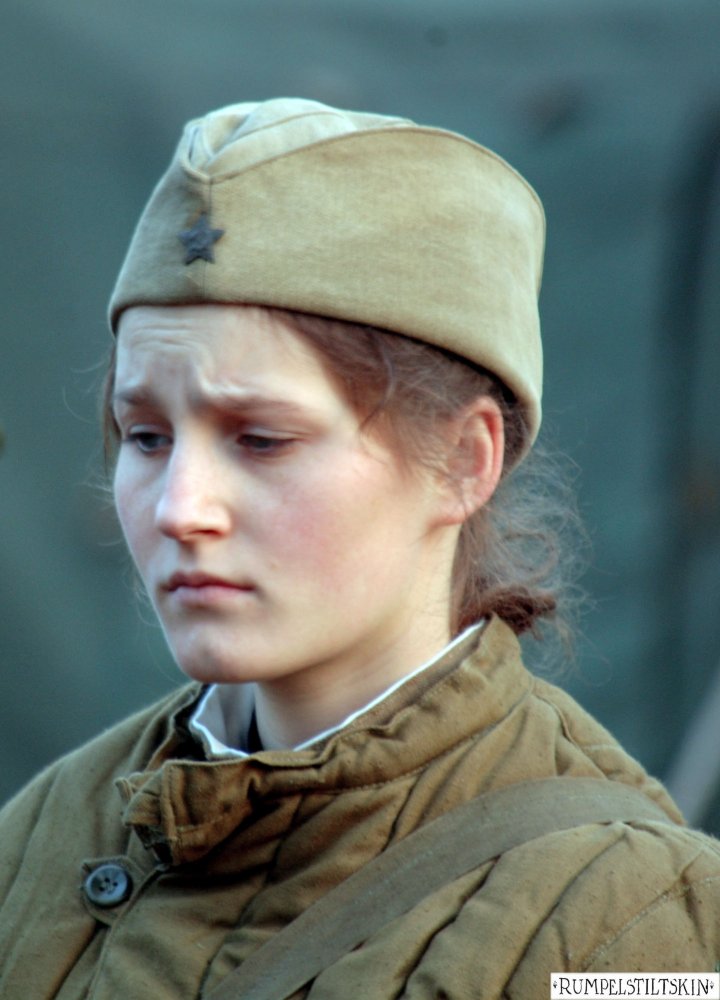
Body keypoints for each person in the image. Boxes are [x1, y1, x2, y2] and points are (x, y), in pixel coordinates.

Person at [1, 98, 719, 999]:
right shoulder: (45, 834)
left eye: (261, 440)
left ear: (463, 461)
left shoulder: (630, 917)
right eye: (146, 437)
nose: (181, 508)